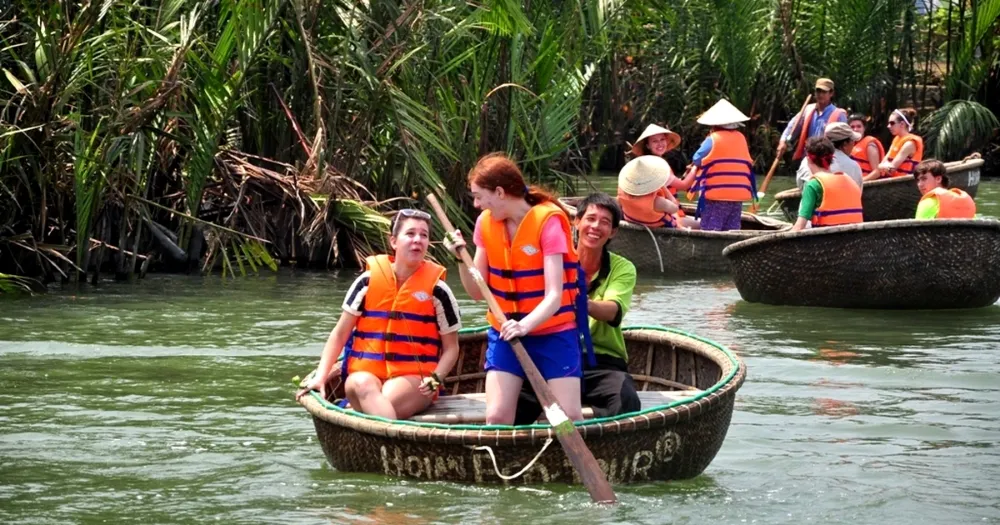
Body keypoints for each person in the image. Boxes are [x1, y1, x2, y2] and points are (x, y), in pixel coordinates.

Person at [444, 153, 589, 425]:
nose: (476, 205)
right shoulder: (485, 224)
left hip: (553, 332)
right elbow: (477, 292)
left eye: (478, 196)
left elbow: (555, 296)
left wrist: (525, 326)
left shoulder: (548, 222)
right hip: (505, 333)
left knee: (568, 417)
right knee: (497, 416)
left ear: (499, 192)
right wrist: (459, 259)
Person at [296, 209, 462, 420]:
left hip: (414, 379)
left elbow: (452, 347)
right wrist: (321, 377)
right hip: (366, 374)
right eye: (410, 234)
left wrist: (436, 378)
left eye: (424, 235)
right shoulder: (366, 282)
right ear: (393, 241)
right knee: (360, 383)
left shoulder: (439, 290)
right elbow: (340, 334)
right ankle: (392, 436)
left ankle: (382, 435)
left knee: (387, 397)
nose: (417, 240)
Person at [514, 193, 640, 424]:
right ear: (577, 222)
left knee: (626, 400)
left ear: (613, 232)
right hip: (553, 355)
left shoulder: (623, 268)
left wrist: (579, 302)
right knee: (514, 405)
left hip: (601, 362)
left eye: (604, 222)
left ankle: (604, 454)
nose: (595, 226)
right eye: (590, 218)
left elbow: (613, 311)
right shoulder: (553, 259)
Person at [684, 99, 756, 231]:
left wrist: (695, 166)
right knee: (732, 227)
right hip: (738, 195)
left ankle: (710, 251)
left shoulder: (713, 138)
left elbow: (697, 158)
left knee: (711, 228)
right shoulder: (741, 138)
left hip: (716, 196)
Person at [777, 78, 849, 161]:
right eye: (818, 91)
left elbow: (845, 141)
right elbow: (792, 127)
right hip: (808, 159)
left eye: (824, 92)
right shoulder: (807, 110)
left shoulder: (839, 114)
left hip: (829, 161)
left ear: (831, 93)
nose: (820, 94)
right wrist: (783, 142)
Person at [617, 155, 683, 229]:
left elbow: (618, 207)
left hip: (632, 222)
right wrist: (663, 187)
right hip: (659, 227)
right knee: (678, 222)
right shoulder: (659, 202)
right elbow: (675, 208)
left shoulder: (622, 195)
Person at [630, 124, 696, 196]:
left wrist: (689, 173)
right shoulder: (656, 164)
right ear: (648, 146)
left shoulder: (652, 161)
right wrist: (695, 168)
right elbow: (684, 186)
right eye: (655, 141)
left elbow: (671, 186)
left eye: (662, 139)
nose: (660, 144)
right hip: (664, 206)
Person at [792, 169, 863, 231]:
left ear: (808, 159)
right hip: (855, 238)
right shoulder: (852, 182)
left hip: (826, 241)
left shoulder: (813, 184)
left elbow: (799, 226)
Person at [865, 108, 923, 180]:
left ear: (902, 124)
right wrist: (883, 166)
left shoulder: (910, 143)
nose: (888, 126)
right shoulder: (896, 139)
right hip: (892, 182)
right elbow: (882, 165)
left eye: (892, 123)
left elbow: (891, 169)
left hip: (905, 184)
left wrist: (883, 166)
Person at [825, 122, 864, 188]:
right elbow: (857, 193)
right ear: (845, 144)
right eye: (853, 140)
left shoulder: (808, 160)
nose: (854, 144)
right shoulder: (853, 166)